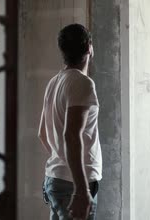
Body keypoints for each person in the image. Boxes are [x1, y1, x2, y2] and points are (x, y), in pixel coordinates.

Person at [39, 24, 102, 220]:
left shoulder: (54, 82)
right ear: (89, 48)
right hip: (73, 185)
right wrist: (81, 190)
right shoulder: (83, 83)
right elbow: (72, 135)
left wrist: (61, 160)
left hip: (56, 179)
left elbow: (42, 133)